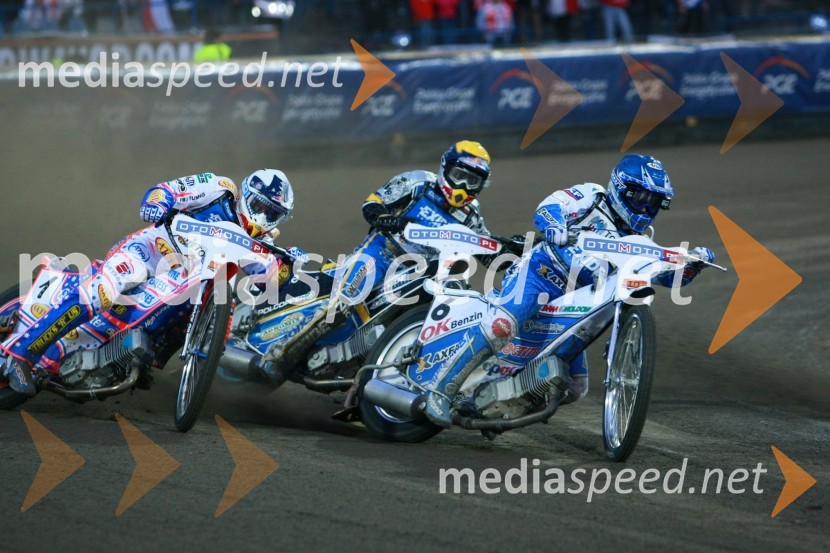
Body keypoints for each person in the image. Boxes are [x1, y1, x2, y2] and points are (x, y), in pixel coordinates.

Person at [423, 154, 716, 426]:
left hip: (575, 301)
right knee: (502, 326)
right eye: (639, 197)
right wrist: (554, 224)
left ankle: (497, 403)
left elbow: (667, 279)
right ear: (620, 188)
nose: (645, 209)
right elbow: (550, 206)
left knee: (576, 387)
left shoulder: (642, 242)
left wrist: (690, 266)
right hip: (539, 274)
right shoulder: (592, 195)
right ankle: (440, 390)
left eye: (653, 203)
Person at [1, 170, 296, 396]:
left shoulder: (263, 244)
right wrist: (157, 203)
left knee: (210, 324)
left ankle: (130, 360)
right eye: (260, 206)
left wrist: (286, 267)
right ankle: (21, 354)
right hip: (149, 253)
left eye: (273, 214)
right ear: (245, 194)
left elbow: (269, 283)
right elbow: (169, 190)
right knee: (103, 292)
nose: (263, 217)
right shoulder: (220, 189)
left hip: (187, 284)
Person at [263, 141, 496, 382]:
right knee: (345, 301)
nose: (463, 186)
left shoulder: (472, 216)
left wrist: (511, 249)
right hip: (381, 253)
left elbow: (487, 250)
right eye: (459, 176)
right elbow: (373, 203)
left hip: (416, 274)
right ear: (445, 168)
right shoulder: (418, 182)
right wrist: (385, 218)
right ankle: (280, 354)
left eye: (472, 181)